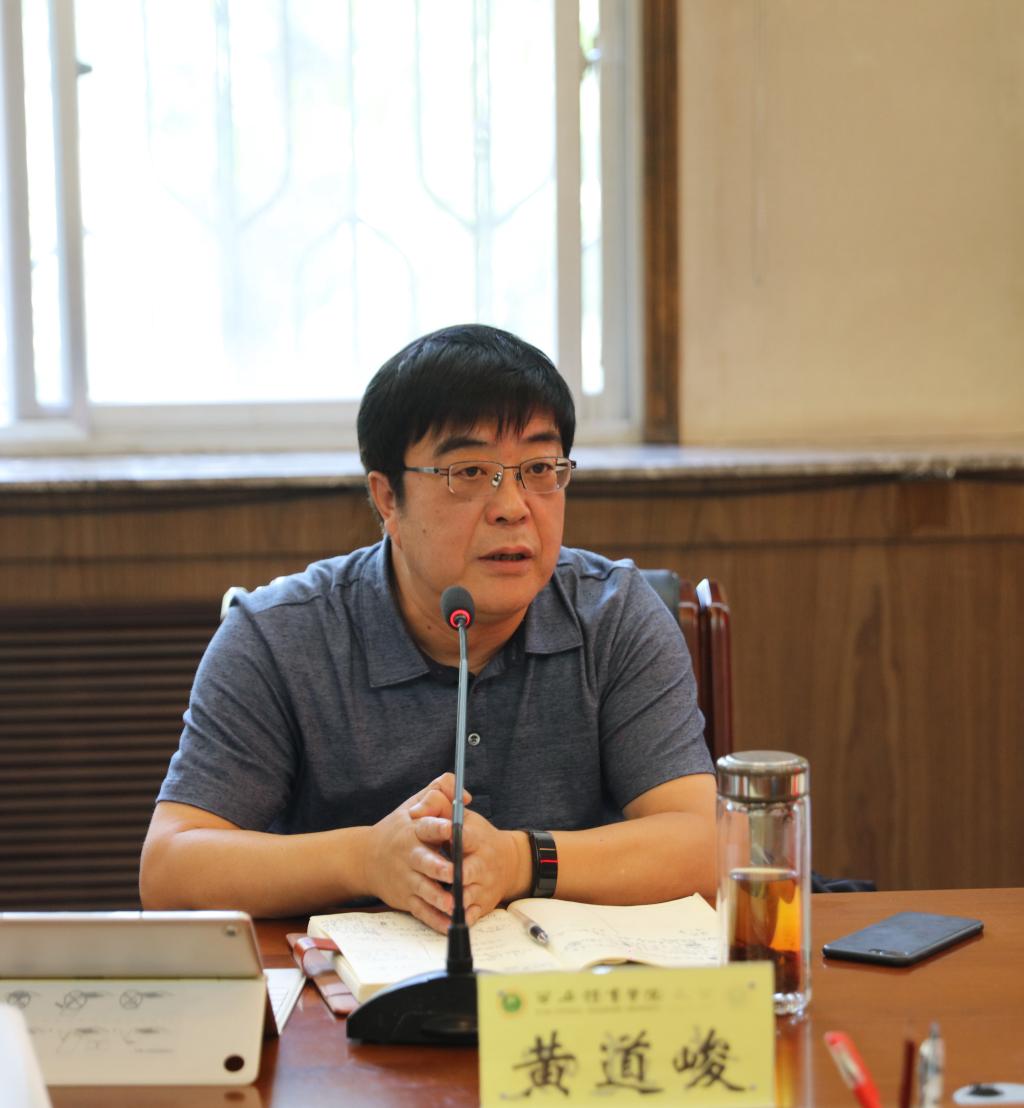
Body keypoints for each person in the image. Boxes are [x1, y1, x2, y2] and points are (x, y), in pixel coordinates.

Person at [140, 324, 716, 933]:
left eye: (539, 468)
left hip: (565, 981)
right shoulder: (279, 635)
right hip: (351, 986)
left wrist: (520, 860)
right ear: (387, 498)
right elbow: (170, 870)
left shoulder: (614, 614)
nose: (513, 507)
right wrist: (366, 859)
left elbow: (707, 843)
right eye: (469, 472)